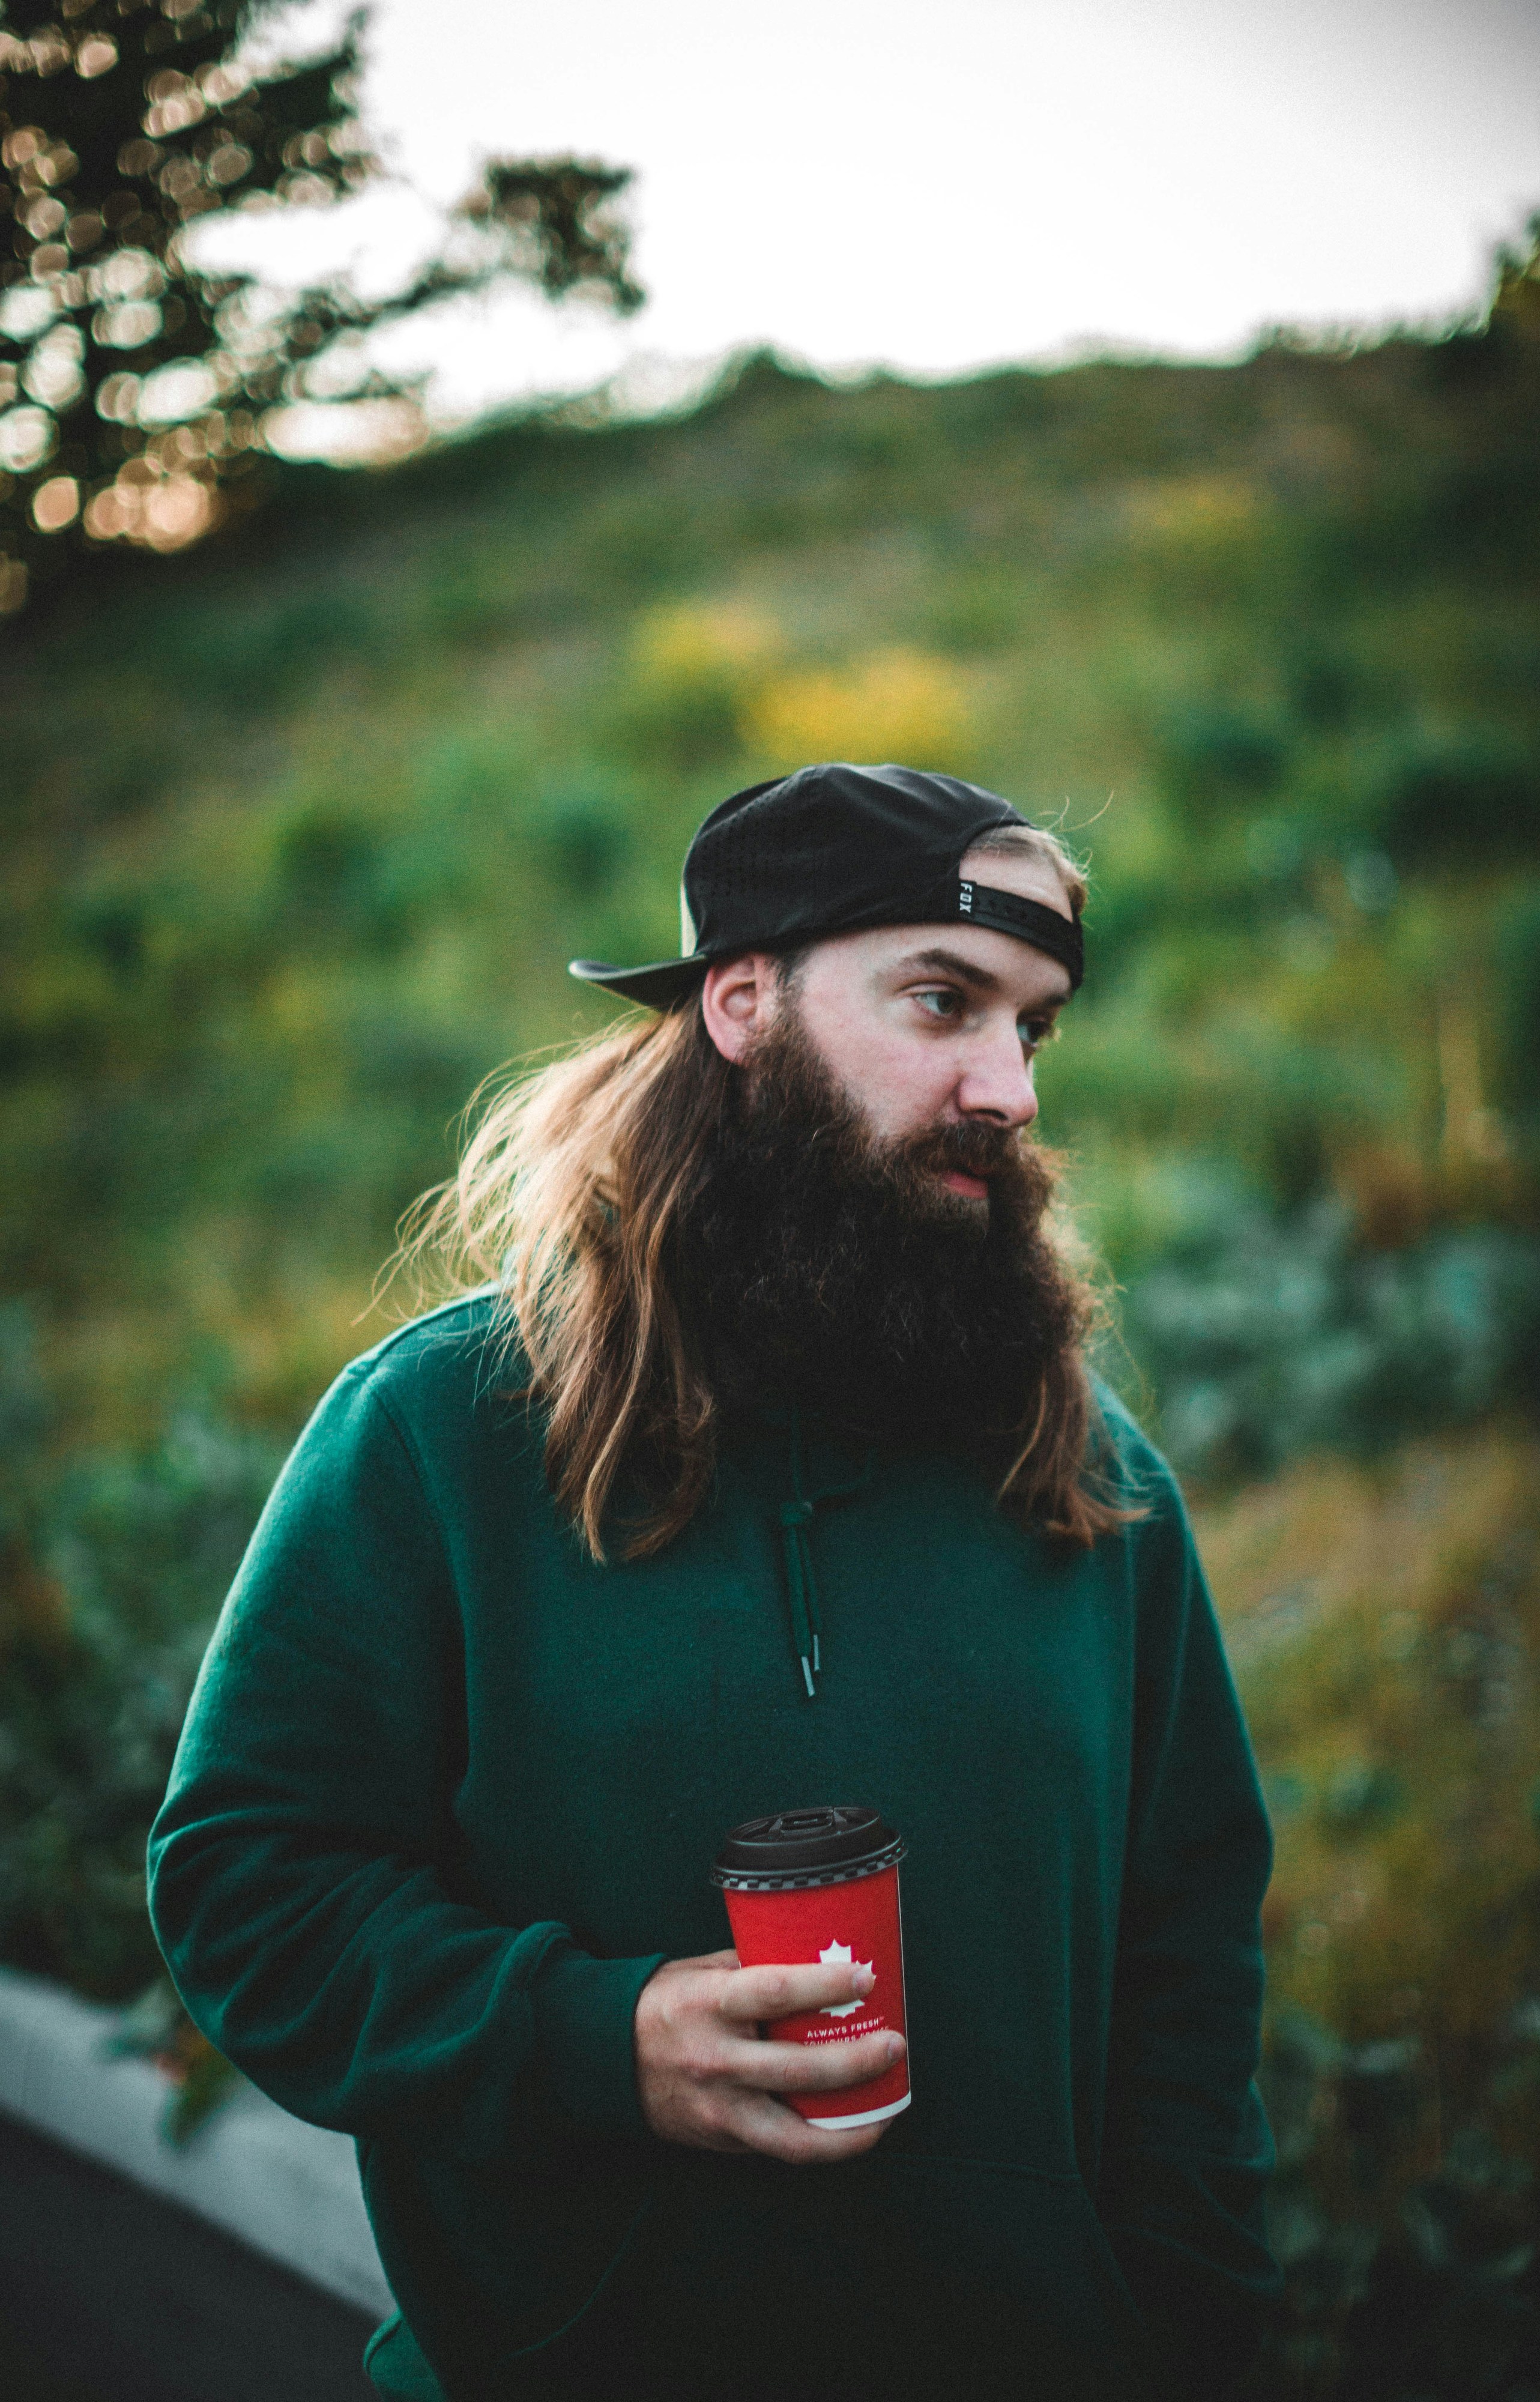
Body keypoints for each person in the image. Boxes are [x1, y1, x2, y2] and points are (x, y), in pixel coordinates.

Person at [148, 763, 1280, 2402]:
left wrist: (1191, 2338)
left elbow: (1190, 1973)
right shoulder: (441, 1437)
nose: (1010, 1089)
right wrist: (591, 2040)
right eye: (945, 1001)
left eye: (1033, 1030)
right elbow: (250, 1885)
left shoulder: (1091, 1484)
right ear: (743, 1004)